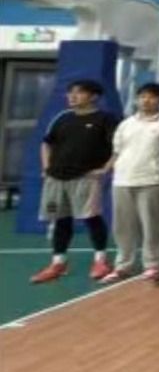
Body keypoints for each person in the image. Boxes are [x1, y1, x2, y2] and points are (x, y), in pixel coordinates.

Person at [30, 79, 117, 284]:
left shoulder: (105, 119)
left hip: (85, 178)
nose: (72, 96)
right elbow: (46, 144)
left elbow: (119, 146)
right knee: (60, 219)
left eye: (78, 92)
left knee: (91, 218)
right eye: (70, 93)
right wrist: (46, 168)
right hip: (56, 179)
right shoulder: (63, 118)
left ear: (93, 96)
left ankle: (101, 261)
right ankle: (58, 263)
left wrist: (106, 168)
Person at [103, 80, 159, 283]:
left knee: (152, 226)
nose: (146, 100)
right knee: (122, 227)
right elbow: (117, 152)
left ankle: (154, 265)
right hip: (122, 181)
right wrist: (105, 170)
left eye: (151, 96)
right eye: (142, 96)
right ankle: (124, 265)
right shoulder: (126, 124)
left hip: (153, 180)